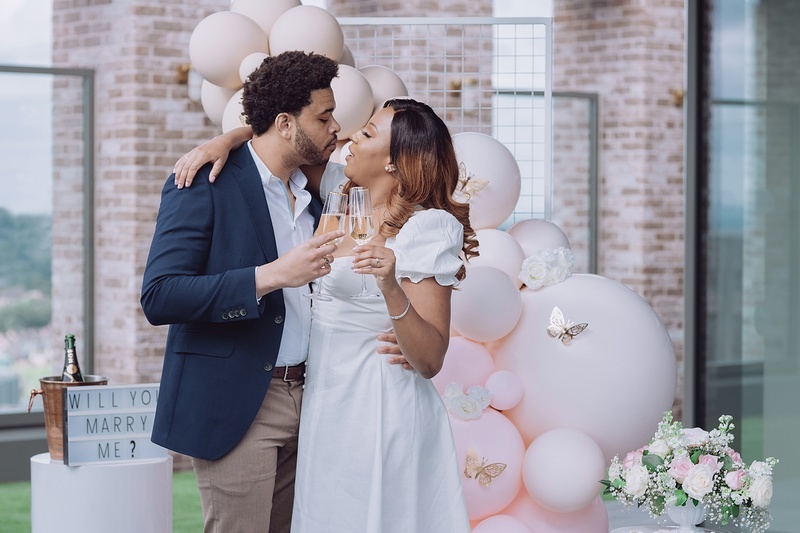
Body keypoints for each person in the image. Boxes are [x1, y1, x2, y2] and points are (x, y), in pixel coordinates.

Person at [176, 98, 479, 532]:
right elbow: (283, 144)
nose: (351, 136)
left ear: (396, 162)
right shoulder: (341, 191)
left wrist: (391, 288)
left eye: (368, 134)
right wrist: (227, 139)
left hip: (379, 403)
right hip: (325, 403)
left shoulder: (428, 227)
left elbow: (430, 360)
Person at [140, 51, 345, 533]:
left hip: (316, 400)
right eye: (324, 115)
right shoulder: (201, 182)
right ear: (285, 123)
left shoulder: (321, 188)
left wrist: (231, 135)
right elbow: (161, 295)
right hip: (240, 403)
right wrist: (270, 275)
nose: (336, 125)